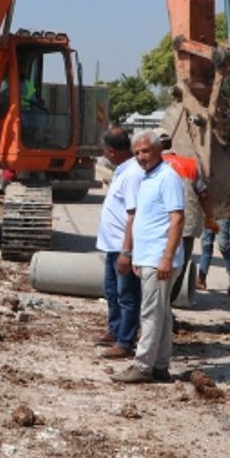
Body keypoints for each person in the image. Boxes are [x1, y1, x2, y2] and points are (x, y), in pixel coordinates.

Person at [112, 129, 185, 384]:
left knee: (150, 313)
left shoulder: (167, 178)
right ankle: (161, 366)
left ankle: (142, 366)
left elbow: (177, 220)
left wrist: (165, 258)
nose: (141, 156)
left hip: (159, 259)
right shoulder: (148, 178)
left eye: (146, 151)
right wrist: (136, 257)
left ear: (158, 151)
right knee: (162, 314)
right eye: (137, 153)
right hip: (149, 258)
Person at [95, 126, 142, 358]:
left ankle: (126, 341)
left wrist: (127, 251)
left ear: (111, 151)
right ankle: (114, 330)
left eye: (105, 150)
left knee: (127, 296)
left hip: (122, 247)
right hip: (112, 245)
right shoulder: (123, 170)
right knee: (112, 291)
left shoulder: (132, 173)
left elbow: (133, 215)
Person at [158, 127, 219, 302]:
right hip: (186, 225)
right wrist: (210, 217)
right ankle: (168, 305)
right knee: (179, 267)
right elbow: (204, 194)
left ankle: (156, 307)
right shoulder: (190, 165)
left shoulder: (152, 165)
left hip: (158, 226)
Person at [198, 215, 230, 295]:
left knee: (224, 245)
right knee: (206, 245)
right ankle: (201, 279)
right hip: (209, 211)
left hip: (224, 212)